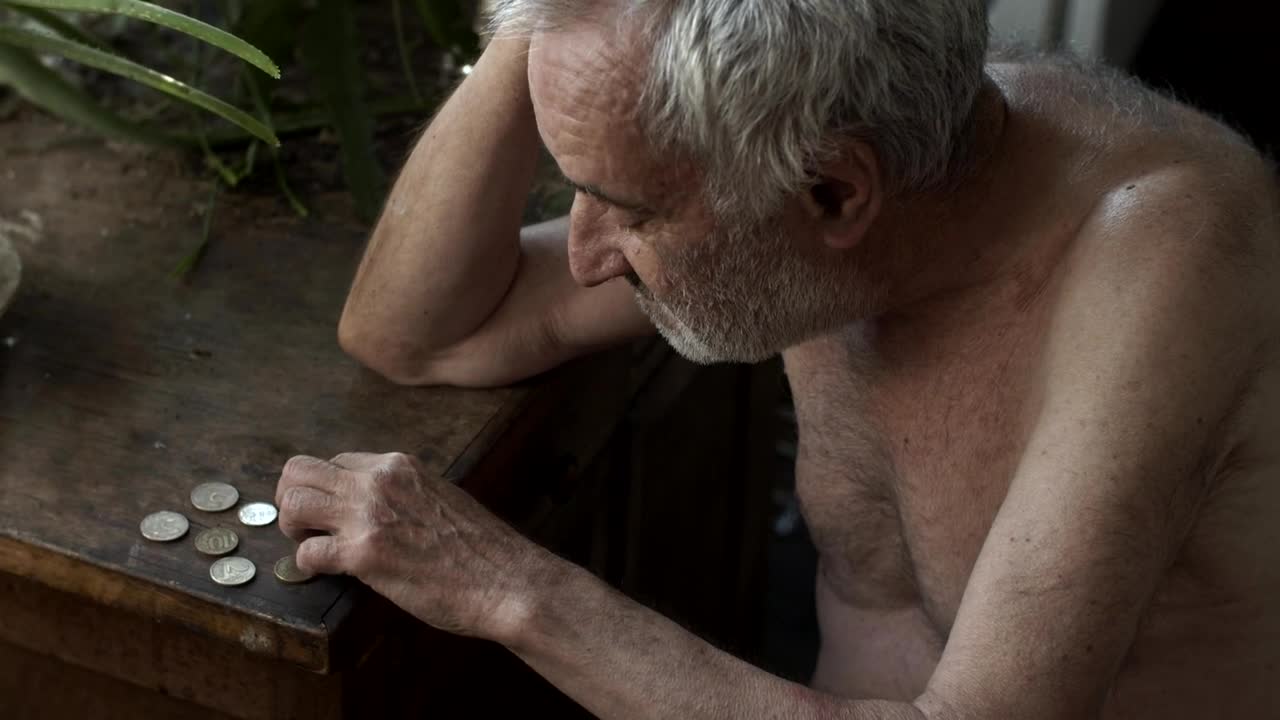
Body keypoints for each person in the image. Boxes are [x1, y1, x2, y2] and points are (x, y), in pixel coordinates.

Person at [274, 1, 1280, 717]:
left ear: (836, 197)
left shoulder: (1163, 256)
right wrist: (551, 25)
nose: (582, 255)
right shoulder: (808, 171)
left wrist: (504, 588)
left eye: (629, 211)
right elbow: (418, 332)